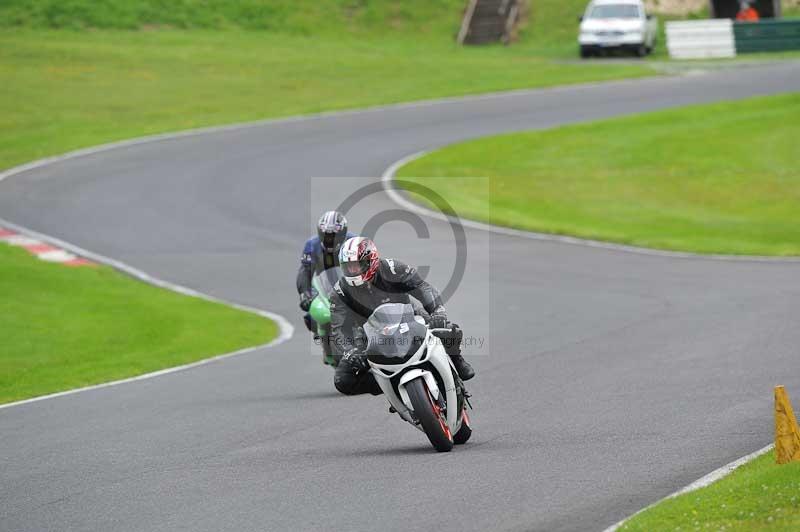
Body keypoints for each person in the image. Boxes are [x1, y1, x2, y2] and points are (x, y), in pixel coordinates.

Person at [330, 237, 475, 396]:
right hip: (369, 337)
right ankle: (391, 386)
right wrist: (350, 351)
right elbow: (338, 329)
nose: (352, 271)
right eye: (348, 267)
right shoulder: (340, 291)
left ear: (371, 261)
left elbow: (422, 287)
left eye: (357, 265)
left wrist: (437, 311)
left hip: (410, 319)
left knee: (448, 330)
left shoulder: (392, 268)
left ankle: (456, 360)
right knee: (343, 380)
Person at [296, 211, 357, 333]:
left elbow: (367, 267)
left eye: (334, 236)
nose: (330, 240)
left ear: (342, 234)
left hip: (351, 288)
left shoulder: (354, 243)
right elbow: (305, 271)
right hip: (323, 288)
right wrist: (305, 293)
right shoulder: (312, 245)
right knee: (310, 318)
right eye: (326, 236)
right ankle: (323, 337)